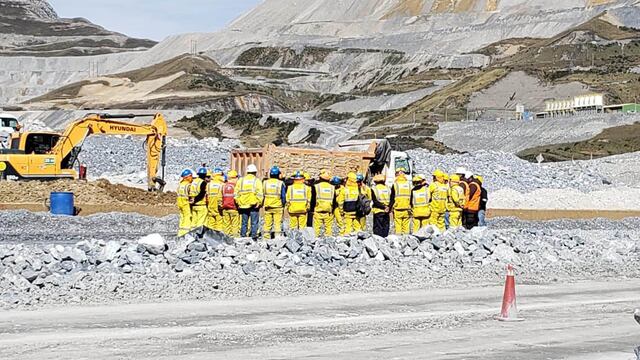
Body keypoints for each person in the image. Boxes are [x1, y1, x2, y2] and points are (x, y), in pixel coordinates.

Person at [235, 164, 264, 239]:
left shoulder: (240, 180)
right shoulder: (257, 181)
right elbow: (260, 193)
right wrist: (259, 202)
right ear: (255, 172)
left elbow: (236, 193)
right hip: (253, 205)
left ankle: (243, 236)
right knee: (254, 222)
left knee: (244, 222)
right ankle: (253, 237)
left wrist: (238, 202)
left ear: (247, 172)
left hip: (243, 204)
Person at [263, 166, 286, 240]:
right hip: (278, 206)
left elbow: (262, 194)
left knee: (267, 223)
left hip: (267, 206)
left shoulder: (265, 182)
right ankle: (277, 237)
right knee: (277, 223)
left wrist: (262, 203)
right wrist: (283, 204)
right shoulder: (280, 183)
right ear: (278, 174)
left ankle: (266, 237)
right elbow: (283, 196)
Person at [313, 169, 335, 237]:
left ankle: (315, 241)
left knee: (316, 229)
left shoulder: (316, 186)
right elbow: (334, 200)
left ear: (320, 177)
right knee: (328, 228)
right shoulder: (332, 187)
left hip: (318, 210)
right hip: (328, 211)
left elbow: (313, 199)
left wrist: (312, 209)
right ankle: (329, 242)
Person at [390, 168, 411, 235]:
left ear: (397, 174)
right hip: (407, 208)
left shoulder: (395, 185)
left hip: (398, 208)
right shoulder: (409, 184)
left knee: (398, 224)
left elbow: (392, 197)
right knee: (406, 225)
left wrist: (390, 208)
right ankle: (407, 239)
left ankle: (399, 240)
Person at [222, 170, 240, 237]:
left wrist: (221, 205)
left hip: (225, 209)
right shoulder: (236, 186)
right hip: (234, 208)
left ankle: (226, 238)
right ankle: (234, 238)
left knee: (226, 225)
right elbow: (237, 197)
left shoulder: (223, 186)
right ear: (234, 178)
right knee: (235, 225)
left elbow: (219, 198)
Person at [176, 169, 194, 236]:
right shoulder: (188, 185)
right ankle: (186, 233)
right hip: (185, 203)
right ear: (188, 177)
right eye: (191, 176)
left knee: (182, 217)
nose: (191, 178)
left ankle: (180, 232)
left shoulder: (180, 184)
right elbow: (191, 195)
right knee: (187, 217)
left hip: (179, 203)